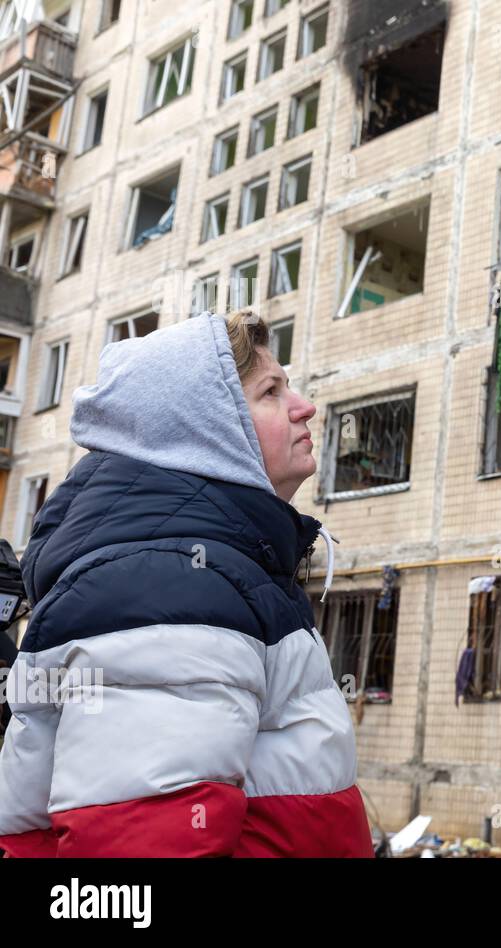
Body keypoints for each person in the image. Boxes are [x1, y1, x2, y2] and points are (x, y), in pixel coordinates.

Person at [0, 311, 374, 857]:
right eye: (271, 392)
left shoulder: (217, 570)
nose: (304, 407)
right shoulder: (168, 586)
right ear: (206, 427)